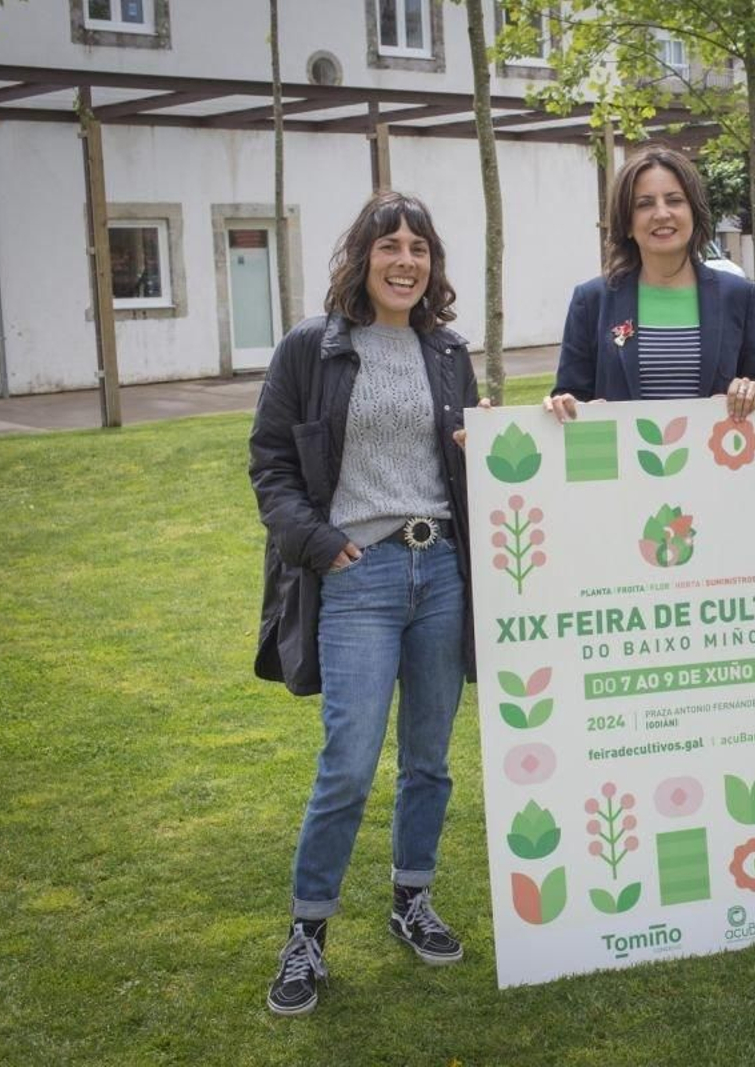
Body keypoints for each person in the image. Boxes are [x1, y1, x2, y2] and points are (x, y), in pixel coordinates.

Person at [249, 191, 479, 1015]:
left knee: (429, 759)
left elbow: (471, 463)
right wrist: (320, 543)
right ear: (362, 257)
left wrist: (481, 448)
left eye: (420, 247)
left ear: (433, 264)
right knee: (347, 764)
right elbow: (270, 463)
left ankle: (410, 897)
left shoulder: (447, 351)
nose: (406, 260)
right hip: (359, 575)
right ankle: (308, 930)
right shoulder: (312, 348)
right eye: (391, 246)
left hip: (443, 570)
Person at [544, 145, 755, 422]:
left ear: (694, 212)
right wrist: (565, 405)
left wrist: (752, 391)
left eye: (674, 200)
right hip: (621, 464)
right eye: (644, 204)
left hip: (716, 460)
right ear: (627, 223)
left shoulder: (739, 296)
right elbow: (569, 397)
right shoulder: (592, 300)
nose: (661, 213)